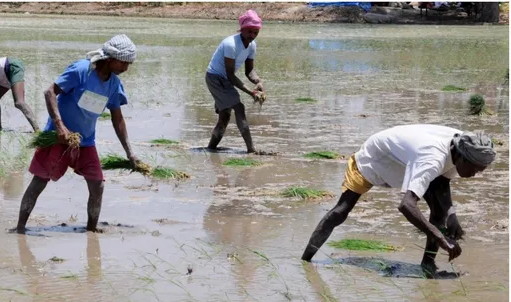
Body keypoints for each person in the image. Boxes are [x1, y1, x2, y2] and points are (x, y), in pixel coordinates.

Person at [301, 124, 497, 278]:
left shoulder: (463, 145)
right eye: (474, 168)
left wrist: (451, 215)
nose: (475, 174)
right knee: (341, 211)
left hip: (406, 163)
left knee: (440, 212)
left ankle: (428, 265)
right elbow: (406, 205)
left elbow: (442, 181)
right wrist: (440, 236)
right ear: (462, 158)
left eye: (480, 170)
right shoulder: (432, 159)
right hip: (375, 160)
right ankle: (305, 260)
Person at [15, 34, 141, 234]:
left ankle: (91, 231)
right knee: (39, 181)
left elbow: (118, 119)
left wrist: (130, 153)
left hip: (85, 142)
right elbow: (50, 93)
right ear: (110, 59)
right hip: (58, 138)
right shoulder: (81, 70)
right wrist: (60, 126)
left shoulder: (114, 85)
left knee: (97, 185)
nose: (126, 68)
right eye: (124, 63)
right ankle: (20, 228)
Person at [205, 9, 265, 154]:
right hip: (215, 78)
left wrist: (257, 81)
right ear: (242, 29)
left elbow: (249, 71)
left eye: (255, 32)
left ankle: (211, 149)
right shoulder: (230, 44)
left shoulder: (252, 46)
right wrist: (251, 92)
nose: (252, 36)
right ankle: (251, 150)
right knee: (239, 108)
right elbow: (230, 75)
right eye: (249, 31)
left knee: (224, 117)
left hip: (225, 79)